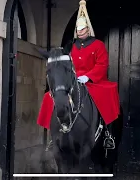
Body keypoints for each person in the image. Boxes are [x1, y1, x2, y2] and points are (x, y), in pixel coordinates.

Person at [37, 1, 120, 131]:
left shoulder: (98, 45)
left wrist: (88, 77)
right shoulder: (71, 47)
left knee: (106, 94)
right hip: (73, 81)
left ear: (88, 29)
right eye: (77, 29)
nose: (79, 31)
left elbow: (102, 64)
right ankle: (53, 134)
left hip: (92, 81)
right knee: (50, 97)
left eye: (82, 29)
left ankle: (107, 133)